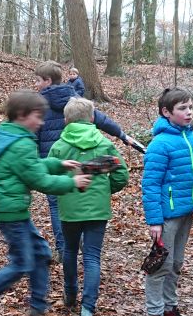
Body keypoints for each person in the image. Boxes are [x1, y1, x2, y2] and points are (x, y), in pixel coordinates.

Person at [0, 90, 91, 316]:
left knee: (40, 254)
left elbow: (32, 167)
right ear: (21, 115)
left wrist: (58, 164)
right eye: (37, 117)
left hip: (12, 208)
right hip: (11, 211)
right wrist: (73, 182)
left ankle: (38, 309)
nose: (40, 122)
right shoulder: (21, 143)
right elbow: (40, 181)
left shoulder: (14, 137)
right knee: (22, 263)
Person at [33, 61, 144, 261]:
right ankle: (82, 239)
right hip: (81, 162)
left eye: (39, 80)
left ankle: (63, 248)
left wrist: (34, 161)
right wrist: (122, 134)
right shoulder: (75, 99)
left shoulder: (39, 106)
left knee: (57, 205)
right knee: (82, 199)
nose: (37, 84)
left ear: (48, 81)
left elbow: (34, 135)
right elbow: (99, 119)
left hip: (55, 162)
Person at [48, 97, 129, 316]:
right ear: (92, 118)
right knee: (92, 256)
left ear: (65, 120)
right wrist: (104, 190)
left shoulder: (59, 146)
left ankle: (70, 293)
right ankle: (87, 309)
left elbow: (50, 178)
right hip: (97, 209)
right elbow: (121, 175)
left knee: (71, 250)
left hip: (69, 209)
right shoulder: (104, 144)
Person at [141, 87, 193, 316]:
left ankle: (170, 309)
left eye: (190, 107)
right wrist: (155, 221)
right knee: (161, 264)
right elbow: (150, 185)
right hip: (166, 216)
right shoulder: (159, 144)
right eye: (182, 108)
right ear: (166, 112)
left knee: (176, 263)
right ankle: (154, 314)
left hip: (187, 213)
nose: (189, 112)